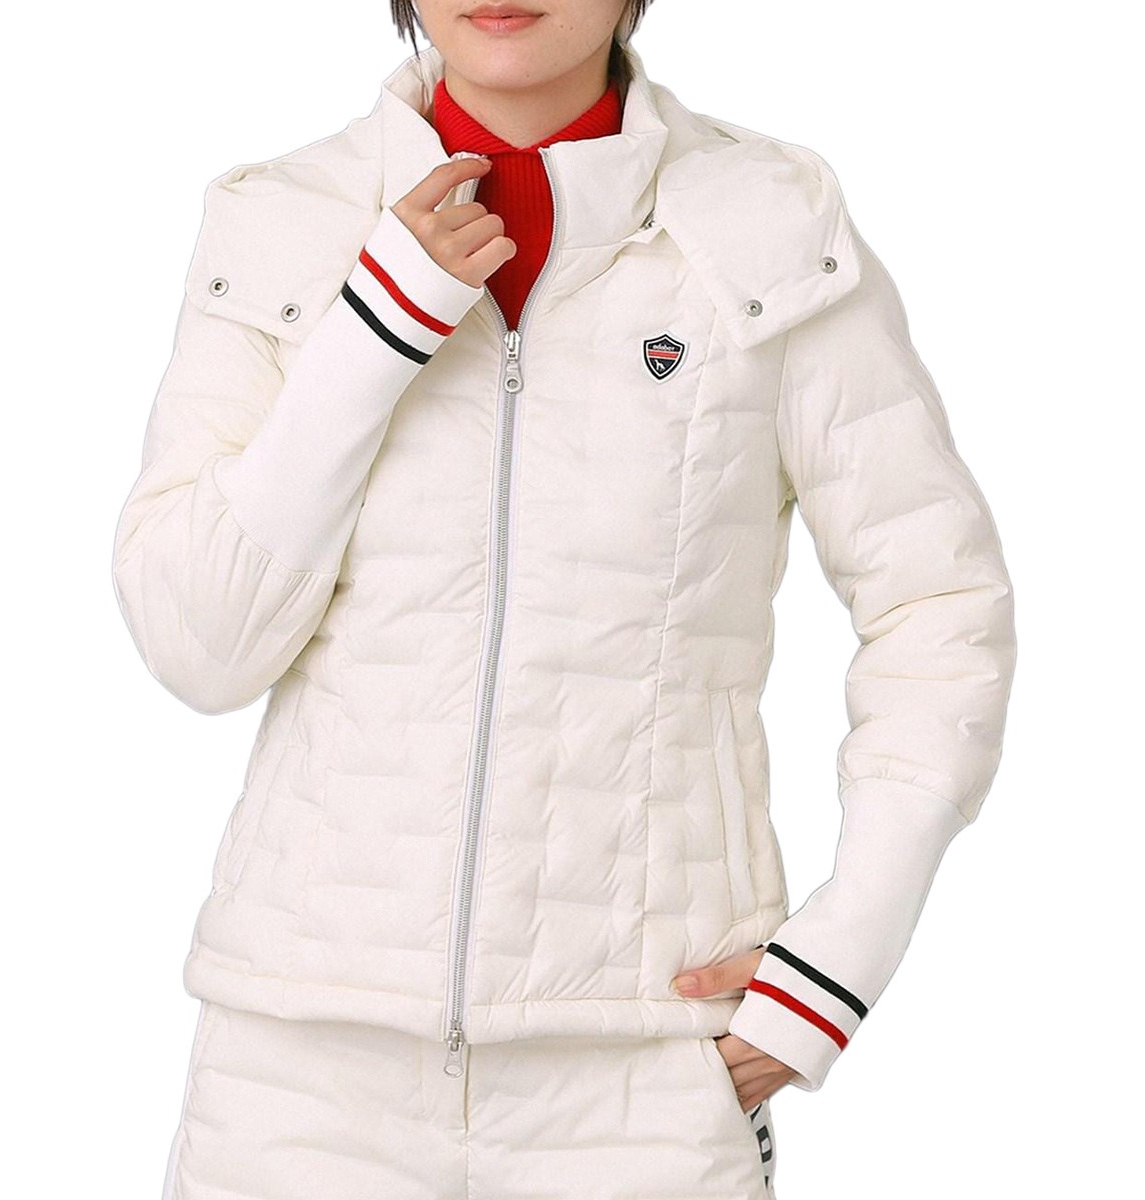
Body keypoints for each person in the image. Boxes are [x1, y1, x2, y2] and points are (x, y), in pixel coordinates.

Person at [110, 2, 1017, 1197]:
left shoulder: (767, 227)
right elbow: (199, 644)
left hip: (638, 1072)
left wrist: (841, 955)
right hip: (300, 1073)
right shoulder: (282, 220)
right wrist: (376, 328)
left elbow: (937, 603)